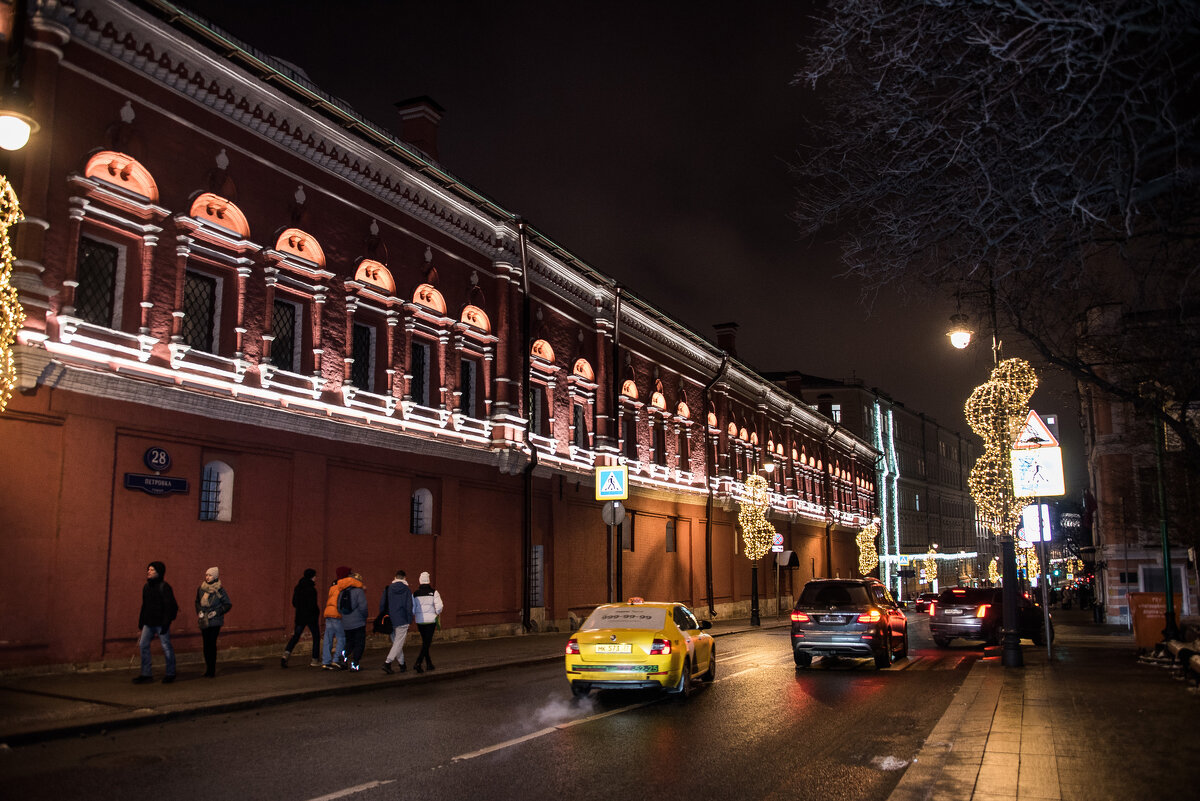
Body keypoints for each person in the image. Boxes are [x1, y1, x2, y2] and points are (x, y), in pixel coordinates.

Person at [134, 561, 178, 684]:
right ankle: (146, 674)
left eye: (152, 570)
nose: (148, 572)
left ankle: (170, 673)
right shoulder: (146, 587)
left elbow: (170, 606)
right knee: (143, 645)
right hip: (148, 623)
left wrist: (166, 623)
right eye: (148, 569)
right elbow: (145, 606)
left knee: (166, 647)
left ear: (159, 573)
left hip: (161, 623)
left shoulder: (164, 587)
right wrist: (141, 623)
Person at [195, 566, 232, 678]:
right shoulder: (201, 588)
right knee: (206, 644)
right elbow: (197, 602)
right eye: (206, 575)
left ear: (215, 576)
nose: (207, 577)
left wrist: (217, 612)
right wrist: (199, 611)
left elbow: (227, 604)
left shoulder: (219, 589)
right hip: (204, 620)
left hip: (215, 620)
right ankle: (208, 669)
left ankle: (212, 669)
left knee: (211, 643)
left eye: (210, 575)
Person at [282, 568, 321, 667]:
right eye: (315, 576)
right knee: (316, 637)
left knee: (296, 636)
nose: (316, 578)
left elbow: (294, 602)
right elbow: (313, 605)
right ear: (312, 577)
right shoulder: (312, 590)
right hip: (311, 617)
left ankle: (286, 654)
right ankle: (315, 659)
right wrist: (316, 612)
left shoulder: (298, 587)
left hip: (300, 616)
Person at [379, 569, 414, 673]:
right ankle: (387, 663)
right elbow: (409, 606)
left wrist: (383, 617)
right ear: (404, 578)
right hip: (402, 619)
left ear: (395, 577)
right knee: (398, 643)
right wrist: (409, 619)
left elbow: (382, 604)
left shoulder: (388, 588)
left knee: (396, 643)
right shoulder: (407, 590)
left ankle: (402, 664)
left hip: (390, 619)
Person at [411, 571, 444, 673]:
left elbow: (413, 608)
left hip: (420, 621)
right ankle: (418, 662)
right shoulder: (434, 592)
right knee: (427, 643)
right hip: (430, 621)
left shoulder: (415, 594)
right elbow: (440, 606)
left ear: (420, 581)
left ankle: (429, 664)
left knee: (425, 642)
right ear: (428, 581)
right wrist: (437, 612)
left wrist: (416, 614)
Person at [322, 566, 352, 669]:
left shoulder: (333, 586)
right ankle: (337, 660)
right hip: (337, 615)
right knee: (341, 638)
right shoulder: (343, 586)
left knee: (328, 638)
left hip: (328, 613)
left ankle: (326, 661)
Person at [340, 571, 368, 671]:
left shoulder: (342, 591)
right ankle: (354, 664)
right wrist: (364, 617)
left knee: (349, 642)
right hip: (358, 622)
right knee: (359, 644)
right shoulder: (358, 591)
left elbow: (339, 607)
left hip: (346, 623)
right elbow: (363, 607)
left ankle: (343, 656)